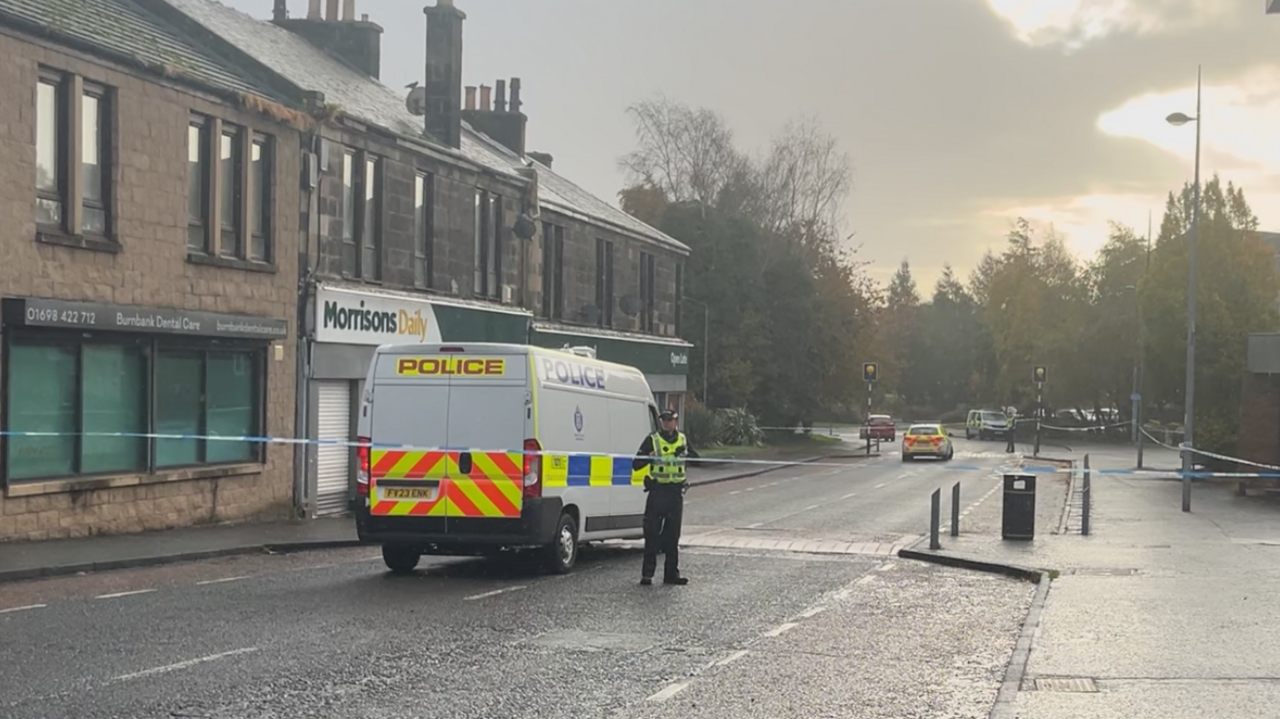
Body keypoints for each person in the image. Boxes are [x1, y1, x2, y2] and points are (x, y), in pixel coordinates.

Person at [632, 409, 699, 586]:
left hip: (675, 493)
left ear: (676, 421)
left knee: (672, 537)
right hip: (657, 492)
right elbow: (636, 464)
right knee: (651, 535)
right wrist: (649, 457)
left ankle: (671, 574)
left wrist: (686, 453)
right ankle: (647, 575)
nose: (666, 423)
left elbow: (698, 461)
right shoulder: (652, 440)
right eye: (664, 420)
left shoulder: (683, 440)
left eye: (670, 420)